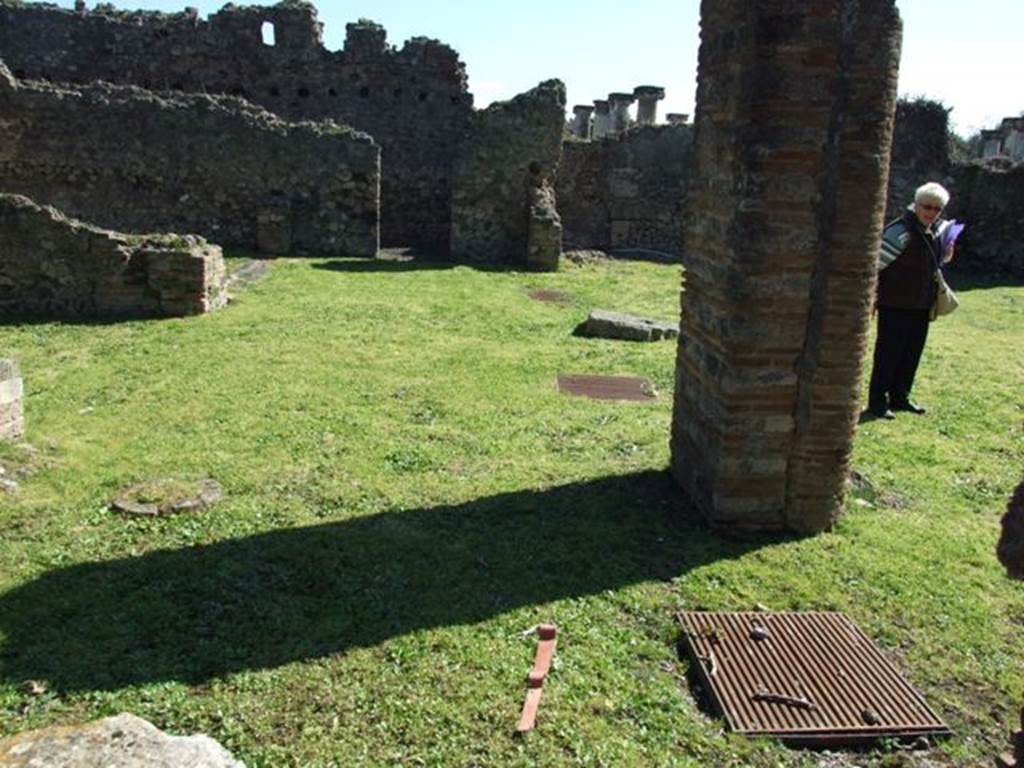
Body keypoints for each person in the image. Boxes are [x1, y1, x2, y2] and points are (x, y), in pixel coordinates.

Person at [866, 181, 954, 420]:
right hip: (895, 303)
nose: (932, 213)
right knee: (888, 354)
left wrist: (946, 253)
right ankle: (877, 403)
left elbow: (932, 264)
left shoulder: (936, 231)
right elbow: (876, 265)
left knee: (911, 353)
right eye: (927, 207)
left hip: (921, 303)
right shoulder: (900, 231)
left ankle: (900, 397)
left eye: (937, 209)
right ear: (916, 205)